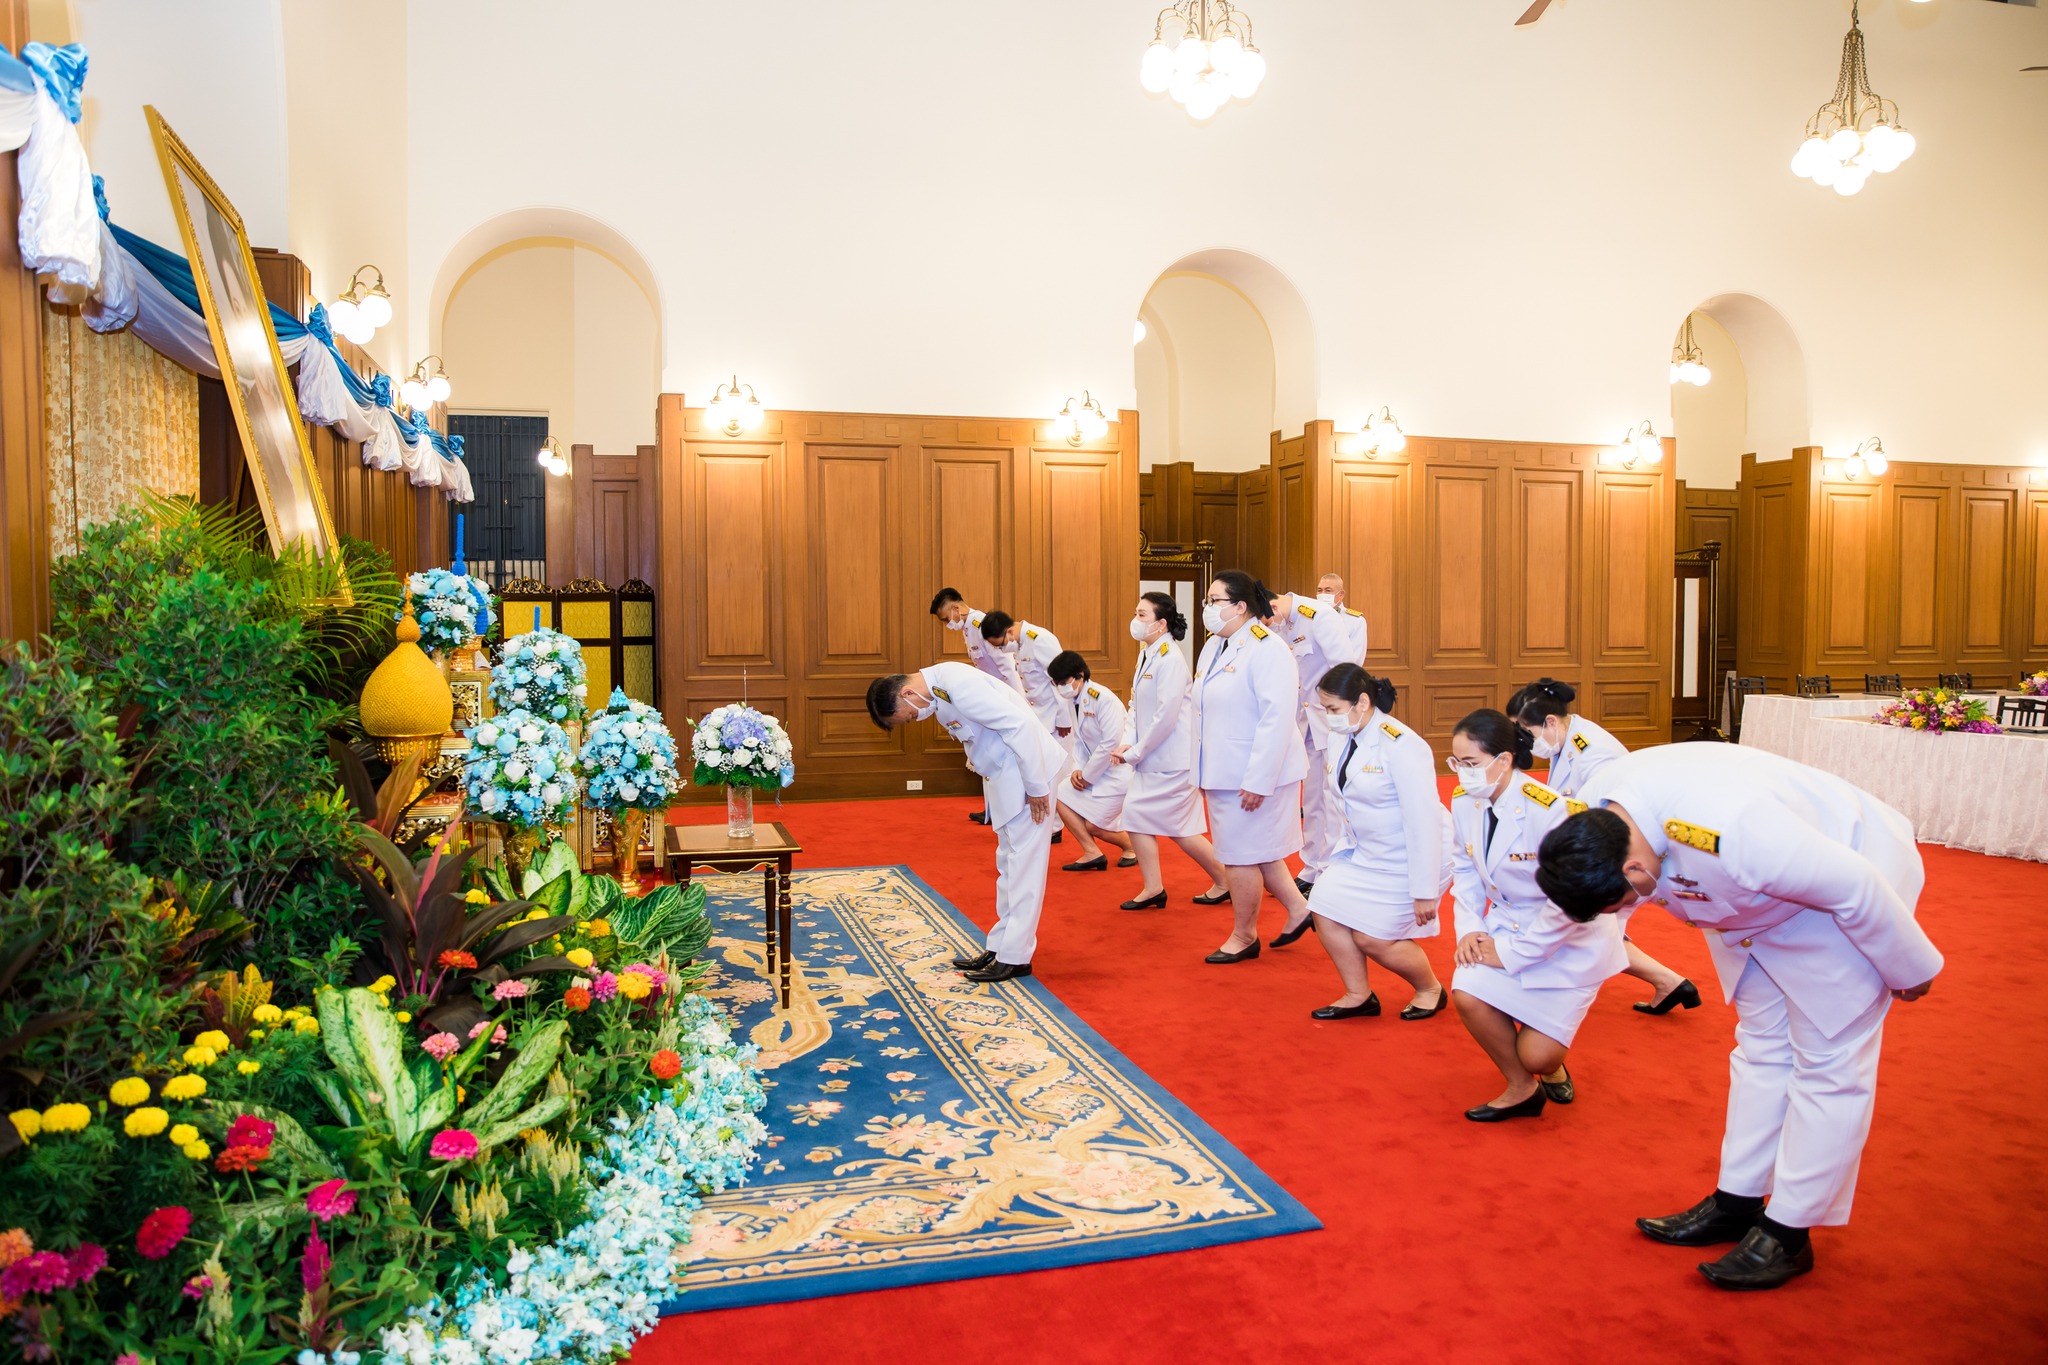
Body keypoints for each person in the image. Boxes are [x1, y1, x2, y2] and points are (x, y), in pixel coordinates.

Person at [1535, 742, 1943, 1291]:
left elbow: (1857, 886)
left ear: (1633, 867)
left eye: (1624, 902)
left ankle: (1789, 1233)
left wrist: (1908, 968)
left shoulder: (1738, 831)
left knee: (1828, 1064)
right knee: (1761, 1050)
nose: (1627, 912)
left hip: (1839, 897)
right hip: (1738, 907)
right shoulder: (1590, 820)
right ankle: (1738, 1202)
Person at [1445, 709, 1627, 1121]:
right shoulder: (1465, 802)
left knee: (1538, 1056)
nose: (1462, 773)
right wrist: (1470, 929)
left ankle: (1542, 1063)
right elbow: (1464, 867)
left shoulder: (1550, 810)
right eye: (1456, 763)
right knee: (1467, 990)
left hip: (1568, 941)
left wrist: (1512, 954)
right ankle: (1521, 1088)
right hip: (1509, 925)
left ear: (1504, 760)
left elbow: (1568, 900)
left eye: (1471, 763)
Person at [866, 661, 1070, 982]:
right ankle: (1000, 947)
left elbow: (1020, 727)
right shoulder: (939, 691)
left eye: (909, 717)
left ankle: (1016, 957)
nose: (915, 719)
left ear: (907, 694)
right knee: (1008, 866)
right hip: (1006, 777)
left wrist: (1036, 787)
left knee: (1024, 869)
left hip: (1027, 775)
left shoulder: (957, 685)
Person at [1509, 678, 1698, 1016]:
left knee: (1588, 929)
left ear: (1549, 721)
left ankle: (1662, 983)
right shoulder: (1568, 739)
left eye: (1526, 732)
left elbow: (1610, 820)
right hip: (1609, 850)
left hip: (1627, 856)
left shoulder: (1595, 754)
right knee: (1591, 930)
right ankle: (1670, 983)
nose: (1524, 742)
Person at [1302, 663, 1449, 1019]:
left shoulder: (1402, 746)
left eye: (1333, 709)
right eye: (1325, 709)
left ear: (1363, 702)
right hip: (1365, 852)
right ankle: (1359, 995)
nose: (1328, 717)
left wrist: (1424, 889)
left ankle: (1430, 989)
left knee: (1372, 938)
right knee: (1323, 905)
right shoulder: (1342, 735)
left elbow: (1423, 822)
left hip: (1411, 857)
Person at [1192, 572, 1312, 963]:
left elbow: (1277, 719)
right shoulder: (1215, 645)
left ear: (1240, 606)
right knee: (1256, 849)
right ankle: (1299, 909)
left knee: (1239, 855)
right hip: (1224, 770)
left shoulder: (1267, 648)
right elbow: (1204, 710)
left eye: (1214, 600)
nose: (1207, 607)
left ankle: (1244, 936)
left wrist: (1259, 780)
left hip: (1256, 773)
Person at [1109, 592, 1230, 910]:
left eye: (1142, 615)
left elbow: (1166, 717)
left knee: (1176, 827)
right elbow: (1135, 705)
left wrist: (1135, 752)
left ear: (1161, 624)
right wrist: (1127, 741)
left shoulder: (1171, 659)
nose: (1135, 621)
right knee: (1141, 818)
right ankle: (1155, 888)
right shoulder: (1147, 653)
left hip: (1172, 761)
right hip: (1151, 758)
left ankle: (1224, 879)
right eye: (1136, 613)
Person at [1269, 585, 1366, 899]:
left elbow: (1346, 670)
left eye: (1266, 620)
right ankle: (1311, 867)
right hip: (1306, 724)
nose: (1268, 627)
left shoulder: (1318, 616)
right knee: (1311, 800)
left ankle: (1330, 871)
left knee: (1331, 799)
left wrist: (1345, 719)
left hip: (1331, 723)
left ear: (1272, 607)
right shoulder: (1285, 623)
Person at [930, 588, 1024, 826]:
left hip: (1005, 699)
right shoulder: (968, 627)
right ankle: (992, 810)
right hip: (991, 697)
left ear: (956, 608)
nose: (947, 624)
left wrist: (1019, 704)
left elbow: (1007, 667)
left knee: (1001, 756)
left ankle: (1005, 809)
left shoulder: (982, 625)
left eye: (946, 619)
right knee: (988, 751)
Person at [1046, 651, 1135, 872]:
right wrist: (1077, 769)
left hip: (1116, 772)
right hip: (1094, 772)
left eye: (1064, 682)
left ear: (1080, 675)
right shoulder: (1074, 699)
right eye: (1057, 683)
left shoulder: (1103, 699)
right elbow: (1078, 740)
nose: (1061, 688)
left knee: (1094, 826)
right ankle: (1092, 852)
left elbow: (1109, 743)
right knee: (1059, 793)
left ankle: (1132, 846)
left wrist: (1087, 776)